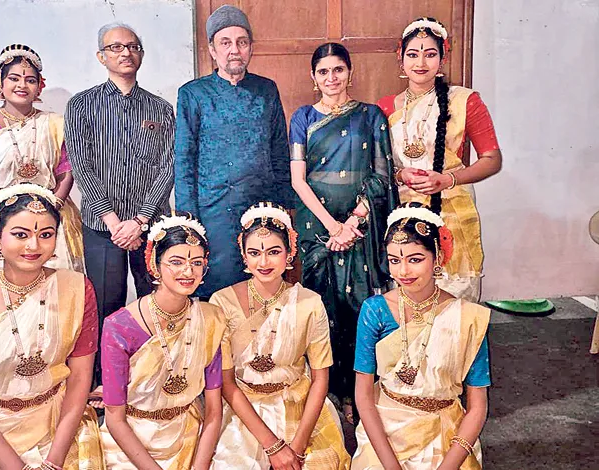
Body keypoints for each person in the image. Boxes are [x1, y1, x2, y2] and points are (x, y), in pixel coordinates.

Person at [0, 184, 103, 469]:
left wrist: (54, 460)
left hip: (58, 423)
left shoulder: (77, 289)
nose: (33, 246)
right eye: (20, 234)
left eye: (46, 234)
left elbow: (79, 378)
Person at [289, 42, 399, 422]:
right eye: (323, 71)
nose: (331, 78)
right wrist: (333, 227)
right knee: (321, 309)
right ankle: (327, 392)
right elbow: (298, 180)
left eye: (338, 69)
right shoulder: (303, 117)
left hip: (360, 227)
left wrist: (353, 222)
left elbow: (381, 175)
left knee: (358, 308)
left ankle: (358, 394)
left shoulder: (371, 116)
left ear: (350, 72)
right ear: (313, 77)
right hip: (317, 228)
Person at [65, 22, 175, 394]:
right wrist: (114, 222)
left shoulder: (160, 108)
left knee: (155, 299)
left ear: (141, 53)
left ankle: (153, 376)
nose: (125, 53)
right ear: (101, 56)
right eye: (115, 47)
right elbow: (82, 166)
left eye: (132, 46)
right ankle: (103, 384)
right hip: (102, 227)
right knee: (105, 304)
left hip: (150, 226)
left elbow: (168, 167)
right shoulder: (81, 105)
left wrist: (140, 220)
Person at [210, 203, 350, 470]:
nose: (263, 263)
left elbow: (320, 379)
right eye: (254, 253)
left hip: (299, 406)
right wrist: (273, 446)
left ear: (290, 253)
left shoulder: (309, 302)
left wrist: (297, 447)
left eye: (274, 252)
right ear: (244, 256)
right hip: (243, 409)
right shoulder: (222, 301)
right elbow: (226, 383)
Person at [352, 203, 491, 469]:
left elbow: (477, 407)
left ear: (438, 257)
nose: (403, 271)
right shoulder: (375, 310)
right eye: (395, 260)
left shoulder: (467, 318)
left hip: (445, 433)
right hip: (385, 431)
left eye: (415, 259)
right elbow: (363, 396)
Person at [377, 17, 502, 301]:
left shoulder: (465, 101)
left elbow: (492, 159)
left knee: (451, 295)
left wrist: (448, 179)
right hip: (400, 209)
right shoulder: (384, 107)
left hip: (451, 207)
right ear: (400, 58)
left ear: (442, 58)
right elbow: (377, 165)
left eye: (430, 54)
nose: (421, 62)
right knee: (407, 290)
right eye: (412, 54)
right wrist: (400, 175)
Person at [174, 5, 295, 299]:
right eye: (225, 43)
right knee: (219, 292)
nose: (234, 50)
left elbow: (279, 151)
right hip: (213, 212)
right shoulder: (194, 94)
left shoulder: (266, 89)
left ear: (250, 47)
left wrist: (283, 208)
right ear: (212, 50)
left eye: (242, 42)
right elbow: (184, 158)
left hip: (262, 208)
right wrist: (189, 219)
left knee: (264, 288)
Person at [99, 213, 225, 469]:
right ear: (154, 265)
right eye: (176, 262)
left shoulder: (210, 319)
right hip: (131, 444)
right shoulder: (119, 326)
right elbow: (114, 419)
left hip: (190, 435)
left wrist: (199, 466)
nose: (188, 271)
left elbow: (214, 410)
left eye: (197, 263)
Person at [0, 44, 83, 287]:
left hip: (47, 213)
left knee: (52, 288)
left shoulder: (55, 124)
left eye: (30, 80)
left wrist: (51, 211)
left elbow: (66, 171)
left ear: (39, 86)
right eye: (14, 78)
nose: (22, 85)